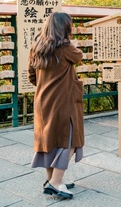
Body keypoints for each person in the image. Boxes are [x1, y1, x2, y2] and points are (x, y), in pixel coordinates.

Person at [28, 12, 84, 199]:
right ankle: (55, 183)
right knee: (70, 141)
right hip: (63, 103)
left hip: (42, 101)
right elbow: (79, 56)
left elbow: (31, 76)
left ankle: (52, 179)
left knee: (49, 141)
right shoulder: (65, 47)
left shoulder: (36, 46)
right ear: (64, 28)